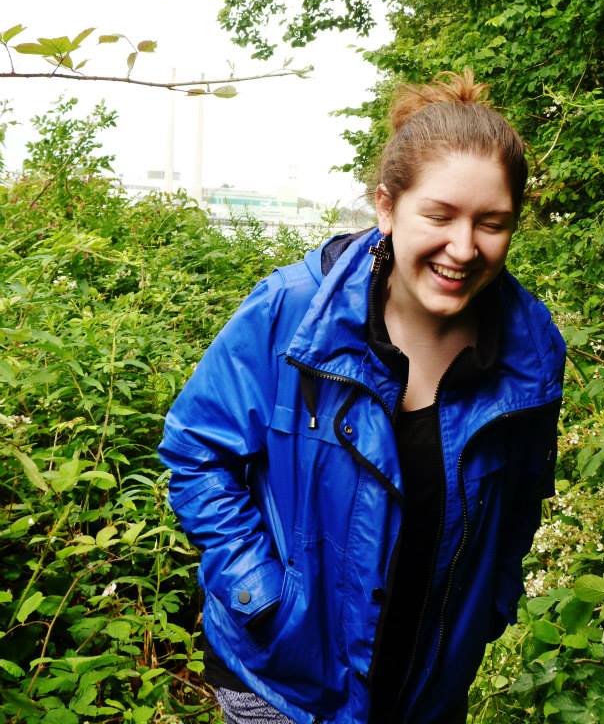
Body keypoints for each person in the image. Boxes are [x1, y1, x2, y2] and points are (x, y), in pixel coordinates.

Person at [158, 70, 565, 724]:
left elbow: (521, 498)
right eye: (439, 216)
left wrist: (492, 605)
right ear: (386, 207)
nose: (464, 248)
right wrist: (259, 593)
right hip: (281, 682)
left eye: (492, 223)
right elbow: (196, 453)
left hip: (426, 689)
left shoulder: (531, 350)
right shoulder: (290, 313)